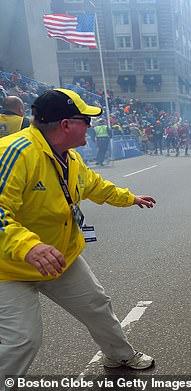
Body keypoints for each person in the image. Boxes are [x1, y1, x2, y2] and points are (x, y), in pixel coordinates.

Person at [0, 88, 157, 381]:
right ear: (65, 125)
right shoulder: (15, 152)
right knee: (22, 341)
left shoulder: (69, 158)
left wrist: (129, 197)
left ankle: (119, 355)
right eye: (86, 119)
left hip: (59, 256)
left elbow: (94, 185)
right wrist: (29, 247)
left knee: (97, 304)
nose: (91, 125)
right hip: (8, 269)